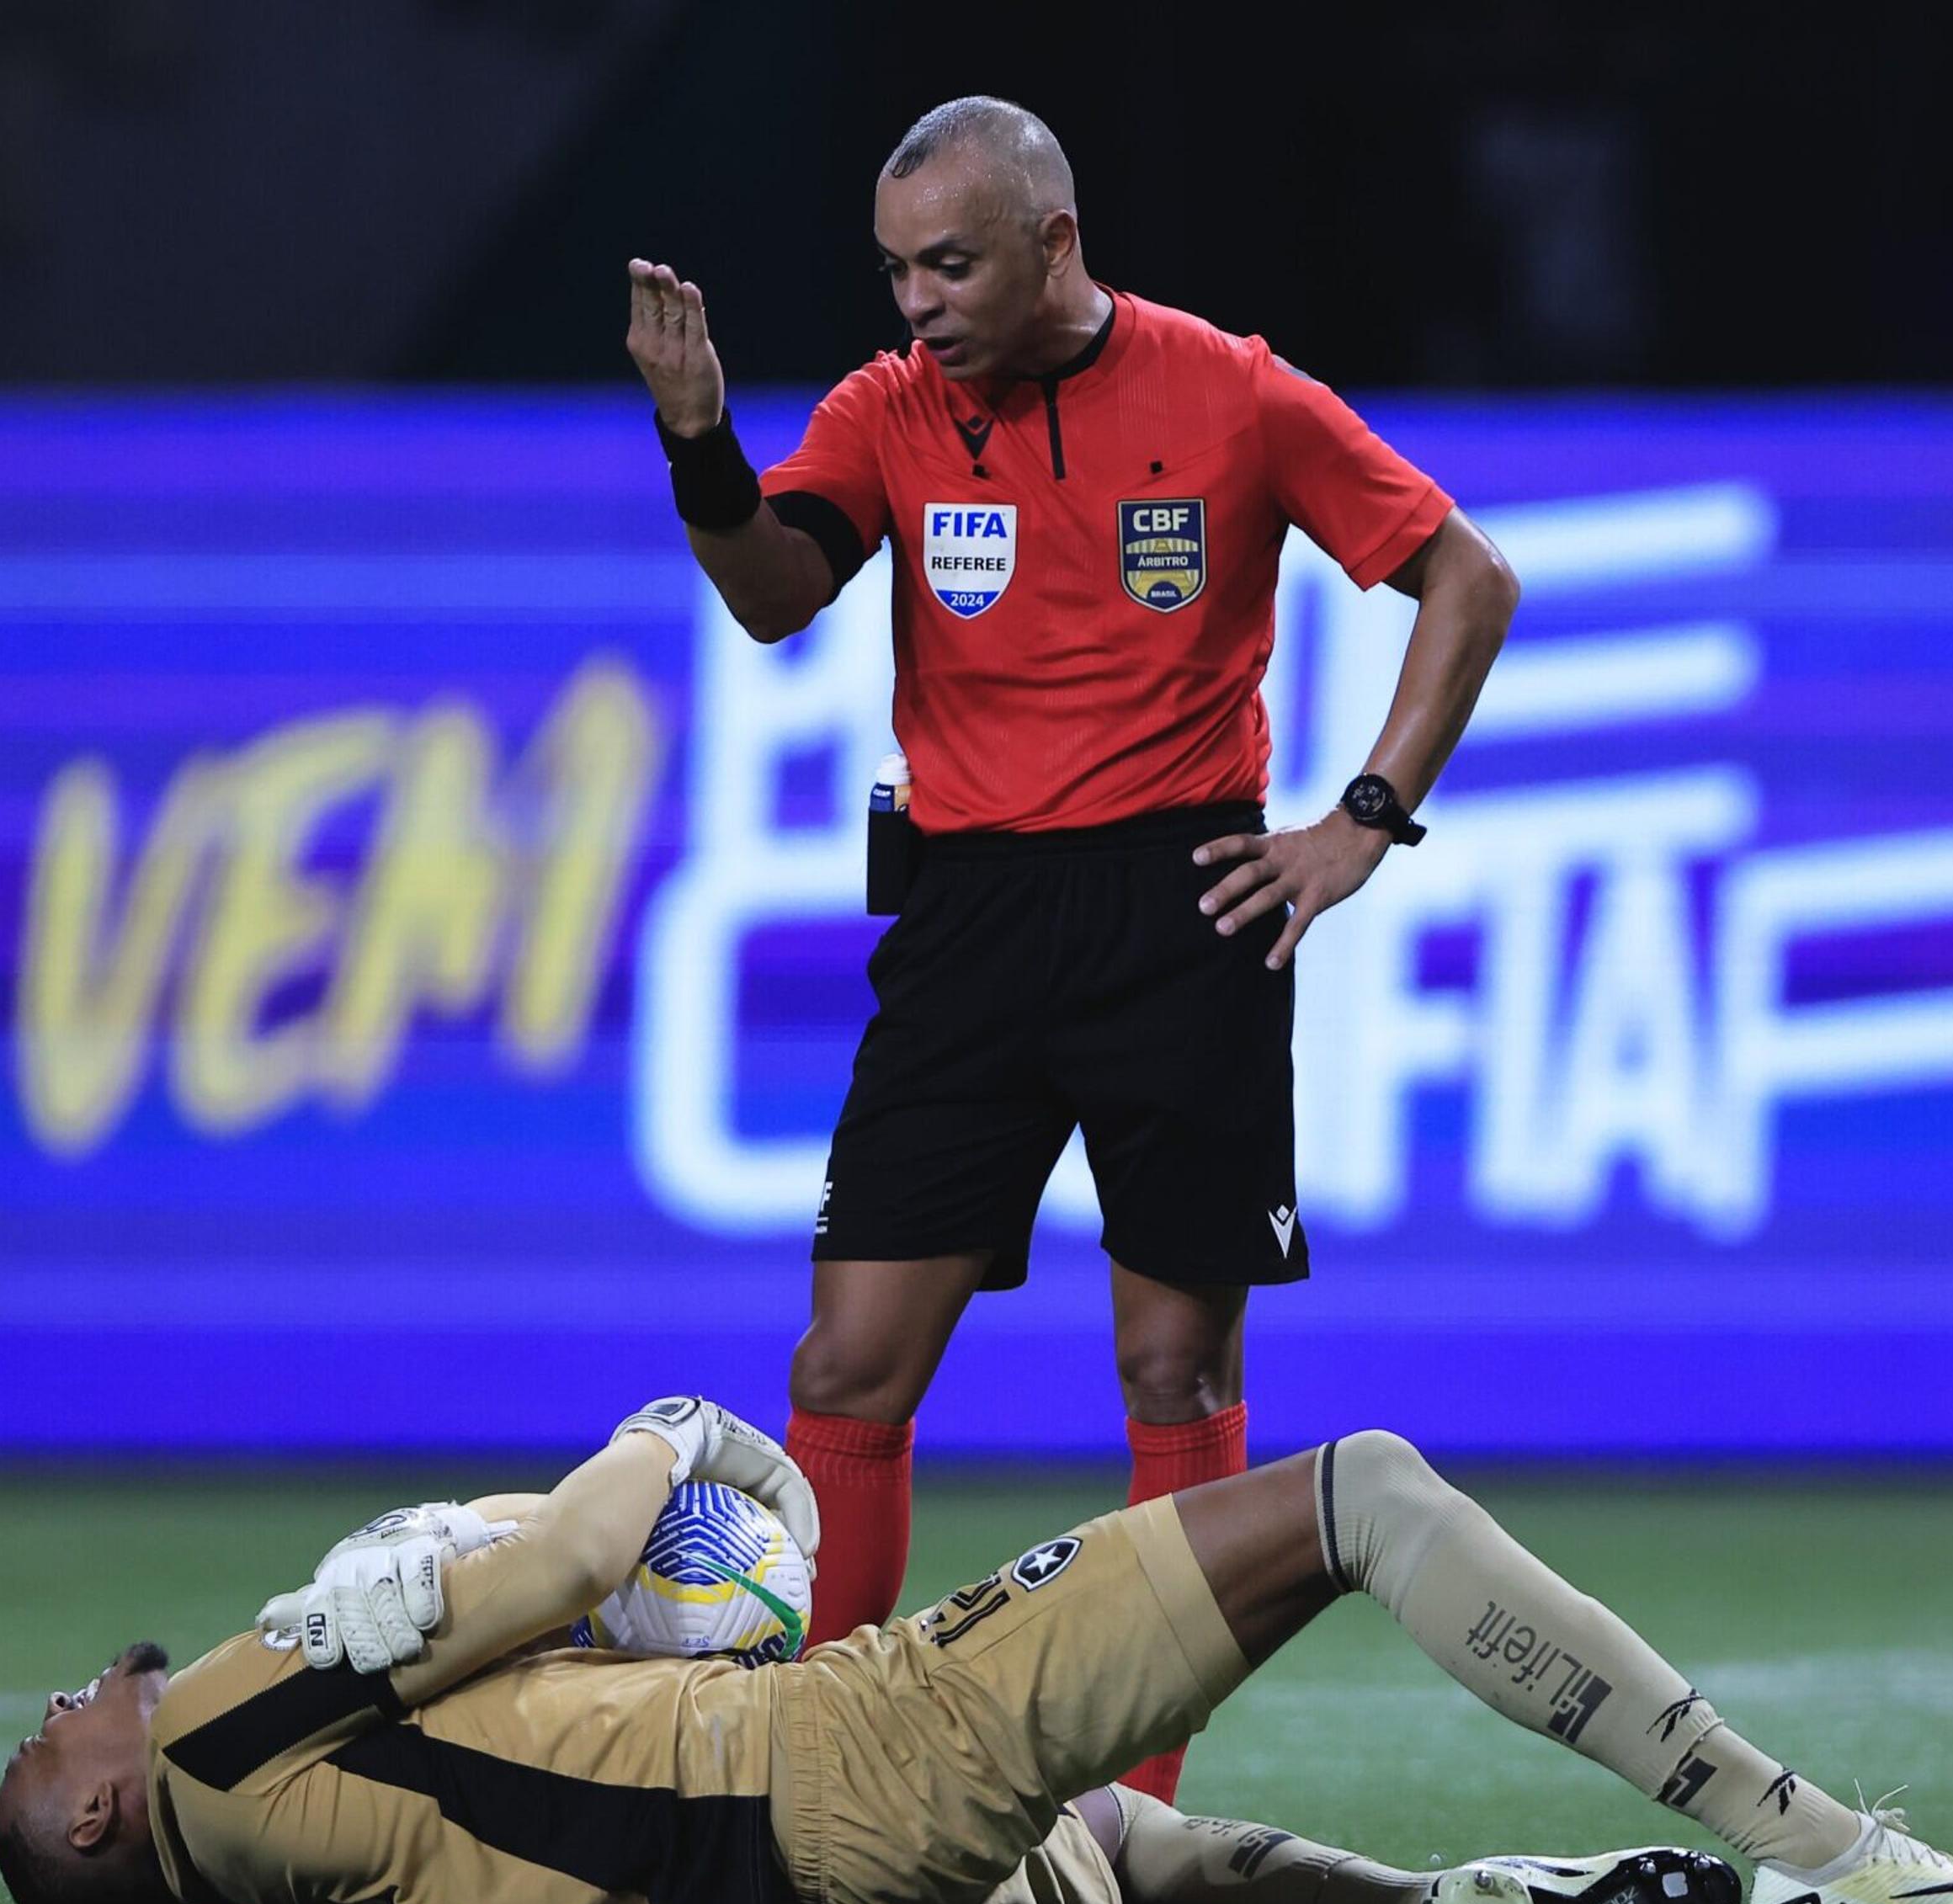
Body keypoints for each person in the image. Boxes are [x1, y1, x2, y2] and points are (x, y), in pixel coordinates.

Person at [623, 96, 1522, 1804]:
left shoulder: (1233, 393)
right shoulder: (887, 413)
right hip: (966, 924)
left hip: (1184, 910)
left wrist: (1360, 824)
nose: (916, 308)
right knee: (844, 1365)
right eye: (894, 273)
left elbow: (1468, 579)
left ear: (1055, 243)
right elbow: (772, 591)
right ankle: (812, 1791)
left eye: (948, 266)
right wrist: (701, 448)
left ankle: (1135, 1815)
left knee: (1174, 1367)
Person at [0, 1397, 1953, 1904]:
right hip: (825, 1758)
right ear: (97, 1813)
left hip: (796, 1882)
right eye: (42, 1735)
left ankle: (1442, 1902)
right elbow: (572, 1558)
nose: (79, 1694)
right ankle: (1825, 1842)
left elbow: (526, 1674)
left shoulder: (281, 1848)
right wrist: (681, 1426)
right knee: (1360, 1493)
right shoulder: (209, 1733)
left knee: (1122, 1851)